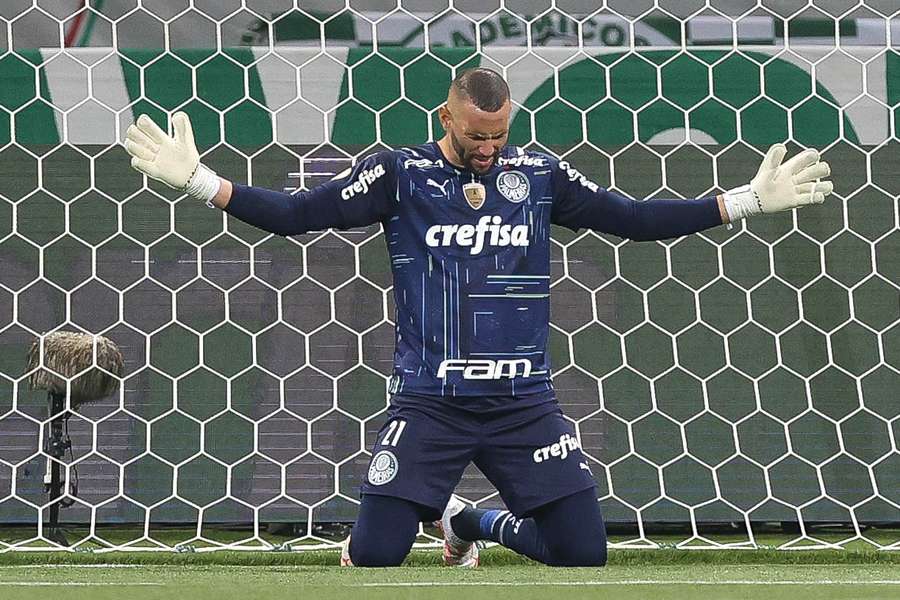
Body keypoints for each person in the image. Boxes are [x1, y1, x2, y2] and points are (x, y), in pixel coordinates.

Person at [123, 68, 832, 567]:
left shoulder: (539, 176)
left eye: (498, 136)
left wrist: (742, 201)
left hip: (524, 402)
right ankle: (430, 516)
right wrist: (201, 182)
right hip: (430, 403)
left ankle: (471, 520)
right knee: (373, 558)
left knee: (583, 553)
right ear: (447, 120)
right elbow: (300, 215)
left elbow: (636, 219)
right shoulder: (400, 174)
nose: (488, 150)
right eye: (475, 138)